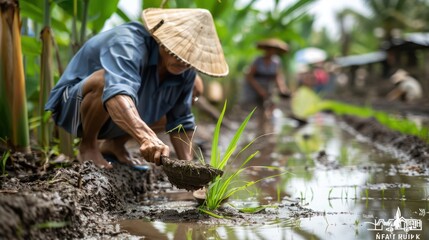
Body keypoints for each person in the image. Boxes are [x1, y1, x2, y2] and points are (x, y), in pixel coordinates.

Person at [44, 8, 228, 169]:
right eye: (177, 51)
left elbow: (180, 122)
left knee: (188, 94)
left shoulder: (186, 70)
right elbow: (117, 92)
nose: (182, 60)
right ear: (162, 39)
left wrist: (189, 170)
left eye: (190, 57)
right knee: (105, 81)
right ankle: (88, 145)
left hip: (114, 117)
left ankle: (115, 144)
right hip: (73, 108)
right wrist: (146, 137)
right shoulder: (129, 43)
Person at [241, 38, 290, 123]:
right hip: (254, 87)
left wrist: (282, 88)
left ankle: (265, 127)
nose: (272, 52)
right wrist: (260, 90)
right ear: (266, 50)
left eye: (274, 50)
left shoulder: (276, 62)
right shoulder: (258, 60)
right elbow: (249, 77)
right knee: (255, 107)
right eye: (270, 49)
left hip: (268, 87)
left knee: (269, 105)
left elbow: (278, 76)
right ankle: (255, 125)